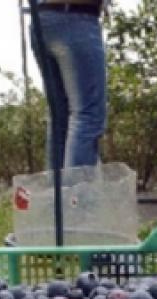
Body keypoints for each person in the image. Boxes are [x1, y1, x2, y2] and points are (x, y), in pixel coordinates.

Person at [30, 0, 108, 171]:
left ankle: (56, 195)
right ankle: (76, 196)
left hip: (42, 19)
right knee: (87, 116)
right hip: (75, 17)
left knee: (60, 117)